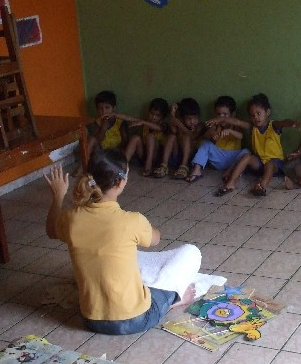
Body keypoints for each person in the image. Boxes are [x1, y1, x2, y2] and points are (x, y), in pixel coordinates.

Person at [44, 148, 197, 335]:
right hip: (137, 319)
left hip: (90, 319)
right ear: (120, 181)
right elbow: (156, 239)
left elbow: (51, 230)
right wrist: (146, 227)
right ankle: (177, 300)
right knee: (190, 253)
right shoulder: (131, 220)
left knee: (128, 255)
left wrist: (58, 195)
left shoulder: (71, 218)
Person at [217, 93, 301, 197]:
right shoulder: (253, 127)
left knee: (269, 164)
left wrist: (293, 124)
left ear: (267, 112)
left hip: (275, 164)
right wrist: (222, 119)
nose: (256, 117)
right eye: (252, 115)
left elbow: (284, 122)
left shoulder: (273, 125)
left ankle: (261, 186)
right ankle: (230, 184)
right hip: (259, 162)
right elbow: (237, 122)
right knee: (247, 156)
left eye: (259, 113)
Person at [186, 95, 246, 184]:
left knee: (246, 152)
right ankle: (197, 170)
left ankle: (233, 172)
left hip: (233, 159)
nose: (221, 117)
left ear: (232, 115)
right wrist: (212, 133)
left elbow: (241, 136)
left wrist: (230, 131)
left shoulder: (235, 125)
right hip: (218, 157)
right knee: (205, 143)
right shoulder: (215, 124)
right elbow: (206, 136)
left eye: (225, 115)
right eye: (219, 114)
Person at [155, 98, 204, 180]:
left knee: (186, 137)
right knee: (172, 136)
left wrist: (180, 125)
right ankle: (164, 165)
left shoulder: (199, 126)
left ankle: (184, 166)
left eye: (195, 118)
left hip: (189, 158)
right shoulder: (180, 123)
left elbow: (192, 137)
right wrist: (173, 114)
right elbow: (173, 131)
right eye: (189, 119)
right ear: (182, 118)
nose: (192, 121)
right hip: (176, 155)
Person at [123, 97, 169, 177]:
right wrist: (114, 114)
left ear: (162, 117)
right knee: (135, 138)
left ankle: (148, 165)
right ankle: (123, 165)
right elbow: (129, 118)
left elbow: (159, 128)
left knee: (150, 136)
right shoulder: (145, 122)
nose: (153, 117)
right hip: (143, 155)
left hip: (156, 157)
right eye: (151, 113)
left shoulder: (163, 124)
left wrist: (143, 122)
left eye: (157, 115)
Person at [86, 90, 129, 163]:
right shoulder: (97, 122)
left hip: (117, 151)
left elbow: (125, 141)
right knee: (91, 139)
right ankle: (80, 169)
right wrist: (103, 128)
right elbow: (98, 141)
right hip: (102, 153)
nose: (104, 111)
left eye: (107, 107)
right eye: (100, 109)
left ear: (114, 108)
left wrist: (113, 151)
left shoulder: (120, 122)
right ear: (97, 110)